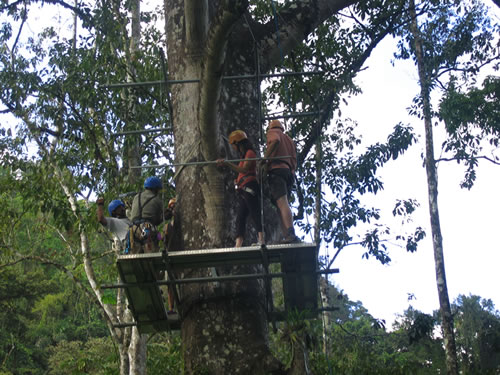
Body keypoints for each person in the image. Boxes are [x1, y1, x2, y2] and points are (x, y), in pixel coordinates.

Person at [217, 130, 264, 247]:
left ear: (238, 143)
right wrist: (237, 181)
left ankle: (262, 240)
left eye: (234, 145)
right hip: (244, 189)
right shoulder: (243, 157)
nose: (234, 148)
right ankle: (238, 244)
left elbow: (244, 170)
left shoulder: (250, 153)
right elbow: (241, 173)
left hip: (250, 187)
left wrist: (227, 163)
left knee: (255, 212)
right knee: (240, 217)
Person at [261, 119, 300, 243]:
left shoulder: (273, 132)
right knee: (281, 204)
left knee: (282, 202)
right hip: (288, 172)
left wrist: (265, 159)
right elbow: (294, 160)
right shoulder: (289, 140)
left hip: (277, 169)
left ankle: (290, 232)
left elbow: (275, 141)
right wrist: (291, 173)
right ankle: (286, 235)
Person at [130, 176, 165, 254]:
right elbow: (159, 219)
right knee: (152, 254)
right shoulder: (157, 199)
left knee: (134, 256)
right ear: (156, 189)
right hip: (147, 227)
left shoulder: (136, 197)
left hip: (133, 229)